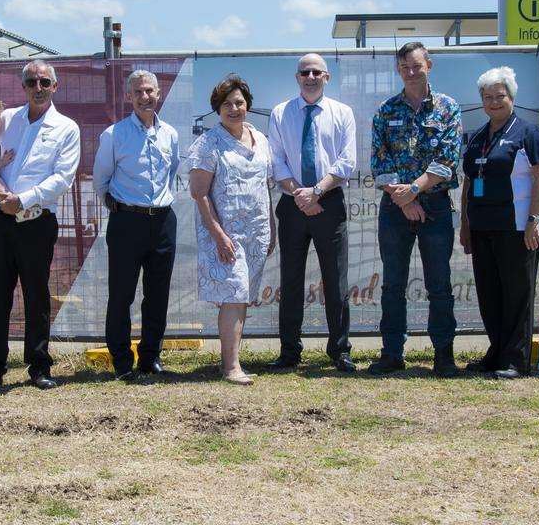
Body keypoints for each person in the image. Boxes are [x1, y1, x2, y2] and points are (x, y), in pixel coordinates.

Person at [0, 60, 80, 394]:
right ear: (24, 87)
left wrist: (25, 199)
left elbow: (63, 177)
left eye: (45, 82)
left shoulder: (66, 128)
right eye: (32, 82)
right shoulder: (6, 120)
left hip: (36, 220)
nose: (38, 88)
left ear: (55, 86)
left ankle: (39, 366)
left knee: (36, 294)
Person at [369, 42, 462, 377]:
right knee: (393, 284)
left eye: (416, 66)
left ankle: (444, 356)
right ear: (398, 70)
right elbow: (379, 161)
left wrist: (413, 191)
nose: (410, 72)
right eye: (404, 67)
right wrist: (404, 199)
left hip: (435, 206)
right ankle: (392, 353)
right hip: (395, 209)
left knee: (439, 283)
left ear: (429, 66)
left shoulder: (448, 108)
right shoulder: (385, 110)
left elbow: (447, 161)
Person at [267, 54, 357, 372]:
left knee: (336, 280)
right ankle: (290, 351)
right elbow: (276, 161)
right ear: (297, 77)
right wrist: (300, 194)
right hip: (292, 204)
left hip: (329, 202)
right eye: (304, 71)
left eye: (316, 71)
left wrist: (316, 192)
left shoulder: (342, 113)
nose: (310, 76)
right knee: (290, 281)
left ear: (326, 77)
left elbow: (346, 162)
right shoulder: (280, 113)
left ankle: (340, 350)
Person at [460, 66, 539, 380]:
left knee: (517, 294)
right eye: (488, 98)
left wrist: (533, 222)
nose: (494, 102)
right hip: (482, 227)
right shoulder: (477, 138)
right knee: (490, 294)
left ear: (511, 98)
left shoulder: (528, 133)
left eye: (500, 96)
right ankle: (495, 352)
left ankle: (516, 360)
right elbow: (470, 184)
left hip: (517, 228)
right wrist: (465, 224)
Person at [188, 74, 276, 384]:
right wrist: (219, 235)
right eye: (227, 104)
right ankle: (230, 367)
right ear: (217, 109)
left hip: (257, 232)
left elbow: (265, 186)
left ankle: (234, 360)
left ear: (248, 106)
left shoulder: (260, 139)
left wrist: (272, 228)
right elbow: (199, 193)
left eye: (239, 103)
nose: (234, 109)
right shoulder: (208, 143)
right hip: (225, 235)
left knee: (242, 297)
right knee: (234, 294)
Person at [92, 70, 179, 382]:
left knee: (158, 295)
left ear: (159, 94)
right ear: (129, 96)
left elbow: (173, 174)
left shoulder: (170, 134)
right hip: (127, 221)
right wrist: (120, 207)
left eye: (150, 91)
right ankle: (121, 360)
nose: (145, 97)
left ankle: (150, 356)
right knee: (122, 294)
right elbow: (101, 180)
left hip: (163, 221)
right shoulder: (114, 135)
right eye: (138, 92)